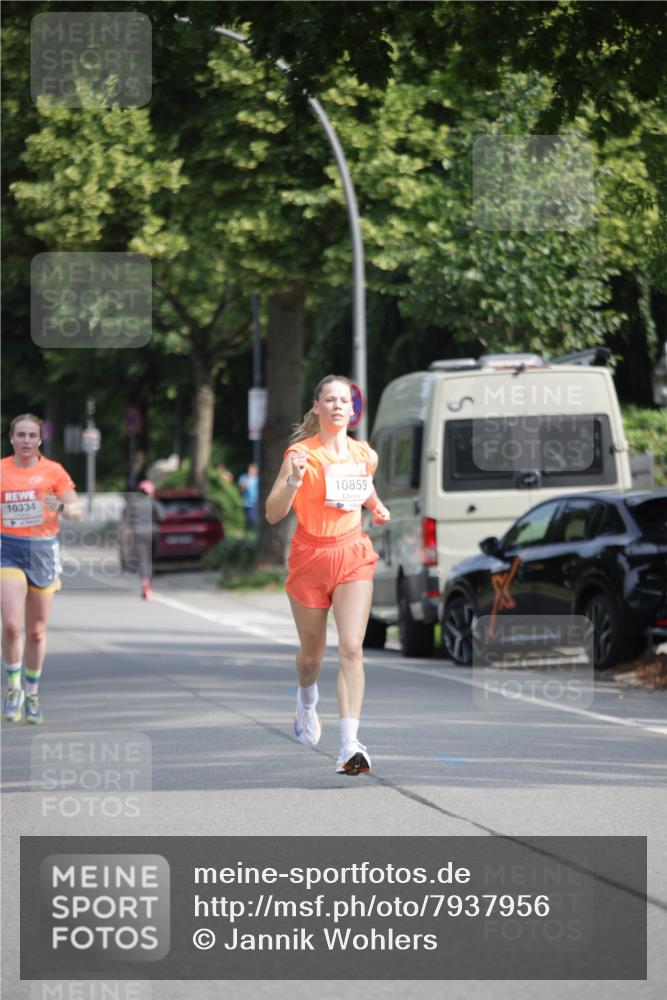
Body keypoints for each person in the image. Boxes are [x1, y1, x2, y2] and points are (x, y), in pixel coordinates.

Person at [265, 375, 390, 775]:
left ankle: (349, 746)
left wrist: (378, 506)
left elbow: (363, 487)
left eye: (344, 400)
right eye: (330, 400)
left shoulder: (365, 454)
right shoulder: (301, 454)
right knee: (313, 655)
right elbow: (272, 513)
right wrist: (294, 479)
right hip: (310, 558)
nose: (338, 405)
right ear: (316, 407)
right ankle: (306, 702)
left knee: (352, 647)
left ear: (353, 411)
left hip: (353, 553)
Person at [1, 414, 81, 724]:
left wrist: (58, 505)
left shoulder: (54, 472)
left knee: (35, 631)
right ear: (11, 439)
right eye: (20, 435)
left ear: (40, 439)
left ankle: (32, 693)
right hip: (6, 548)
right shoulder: (1, 470)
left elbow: (75, 510)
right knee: (11, 625)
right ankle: (13, 688)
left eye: (31, 435)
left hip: (43, 551)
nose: (25, 440)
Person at [125, 479, 159, 600]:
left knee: (142, 560)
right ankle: (148, 582)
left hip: (138, 533)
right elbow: (163, 515)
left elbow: (127, 520)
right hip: (152, 533)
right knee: (150, 560)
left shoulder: (134, 503)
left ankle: (145, 582)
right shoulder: (153, 503)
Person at [238, 462, 259, 531]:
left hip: (256, 503)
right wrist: (247, 481)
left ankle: (252, 532)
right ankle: (248, 532)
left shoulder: (258, 479)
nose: (252, 471)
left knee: (254, 519)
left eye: (254, 470)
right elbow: (242, 489)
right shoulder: (244, 477)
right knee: (248, 519)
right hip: (246, 503)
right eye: (250, 469)